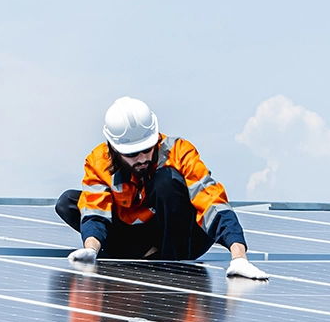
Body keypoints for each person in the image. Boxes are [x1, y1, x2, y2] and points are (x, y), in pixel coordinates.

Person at [56, 96, 268, 279]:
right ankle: (144, 254)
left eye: (147, 149)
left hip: (180, 235)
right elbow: (95, 212)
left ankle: (172, 264)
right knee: (68, 203)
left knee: (166, 181)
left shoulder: (180, 152)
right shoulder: (98, 161)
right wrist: (90, 249)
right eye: (132, 154)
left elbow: (211, 200)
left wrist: (239, 256)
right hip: (132, 238)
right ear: (114, 148)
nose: (142, 159)